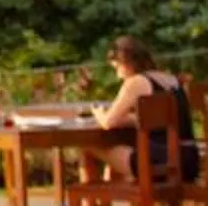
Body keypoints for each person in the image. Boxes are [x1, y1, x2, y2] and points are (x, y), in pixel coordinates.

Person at [82, 35, 200, 186]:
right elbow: (162, 121)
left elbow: (108, 122)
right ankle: (102, 205)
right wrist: (132, 119)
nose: (118, 75)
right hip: (189, 160)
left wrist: (98, 113)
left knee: (88, 145)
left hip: (159, 162)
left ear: (126, 62)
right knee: (122, 147)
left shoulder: (136, 82)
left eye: (117, 67)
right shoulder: (171, 80)